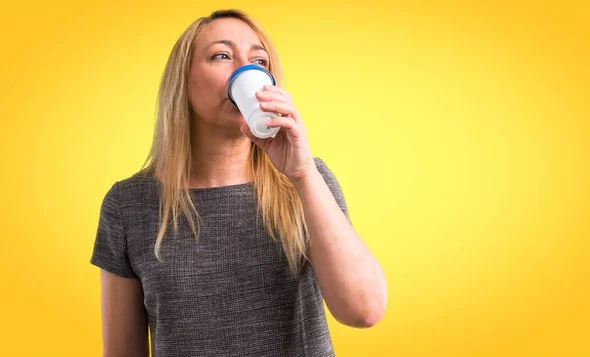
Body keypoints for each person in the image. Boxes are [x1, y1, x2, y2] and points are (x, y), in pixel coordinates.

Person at [90, 9, 387, 357]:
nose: (246, 69)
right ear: (183, 81)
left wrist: (303, 174)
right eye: (221, 55)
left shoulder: (307, 181)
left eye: (259, 60)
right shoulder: (128, 205)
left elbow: (364, 311)